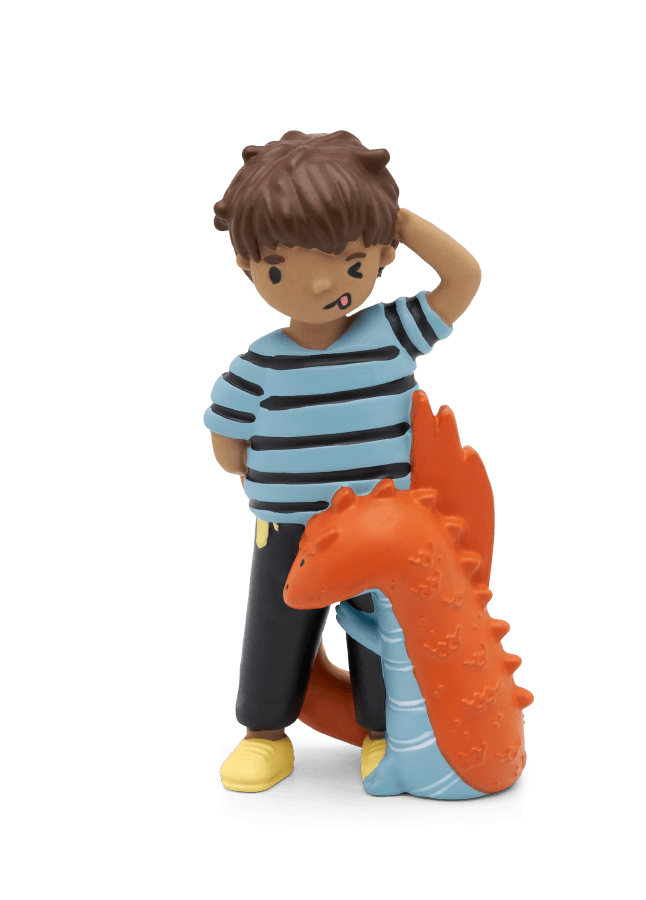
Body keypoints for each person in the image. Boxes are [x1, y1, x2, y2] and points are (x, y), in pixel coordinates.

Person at [206, 130, 482, 792]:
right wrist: (263, 481)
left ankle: (383, 730)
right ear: (248, 264)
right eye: (281, 268)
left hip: (381, 526)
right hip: (288, 526)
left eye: (351, 262)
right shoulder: (257, 365)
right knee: (276, 625)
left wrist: (396, 220)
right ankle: (265, 734)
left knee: (381, 629)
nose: (322, 284)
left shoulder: (390, 333)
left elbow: (465, 277)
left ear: (382, 254)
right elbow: (227, 442)